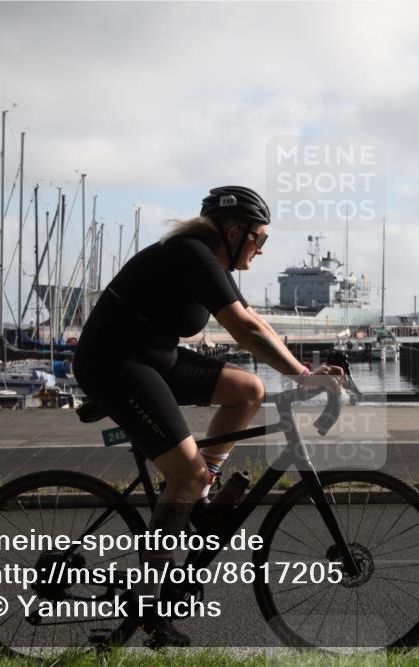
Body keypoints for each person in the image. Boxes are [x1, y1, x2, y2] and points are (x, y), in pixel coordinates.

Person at [72, 186, 343, 647]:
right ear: (234, 232)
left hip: (152, 358)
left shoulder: (208, 260)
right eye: (259, 238)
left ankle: (202, 488)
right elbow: (243, 328)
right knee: (186, 474)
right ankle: (150, 603)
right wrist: (302, 375)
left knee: (248, 390)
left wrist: (303, 369)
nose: (261, 247)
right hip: (116, 364)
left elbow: (253, 318)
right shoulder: (193, 253)